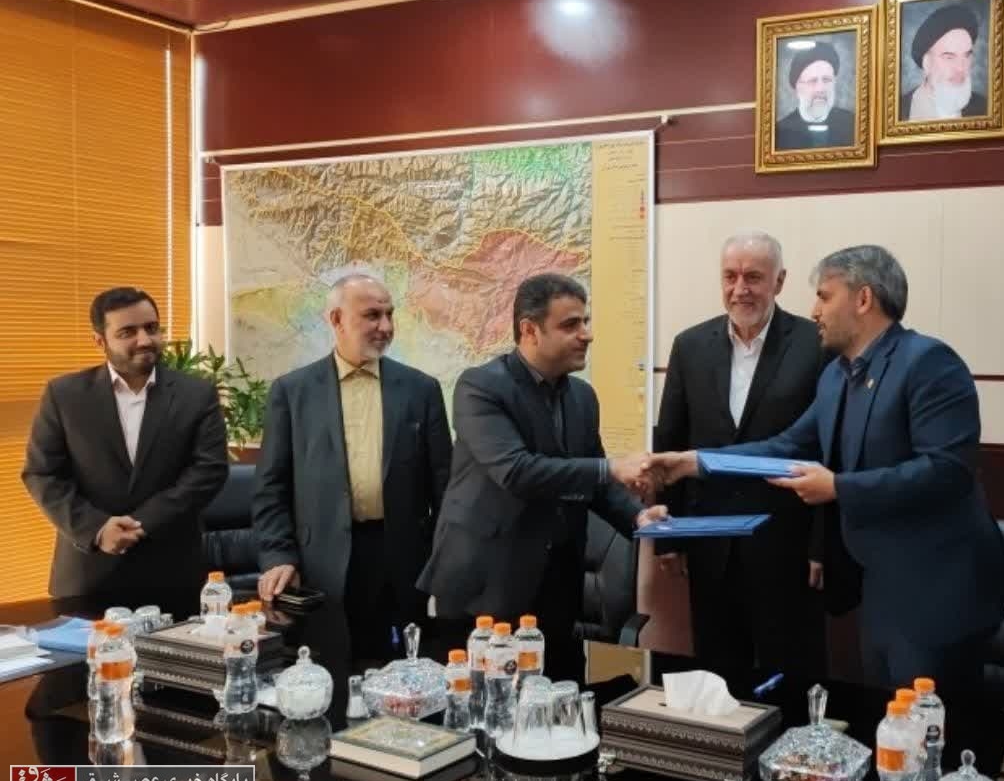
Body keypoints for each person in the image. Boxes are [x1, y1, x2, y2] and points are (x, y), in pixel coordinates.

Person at [651, 246, 1004, 692]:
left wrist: (839, 487)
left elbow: (946, 471)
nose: (814, 311)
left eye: (824, 296)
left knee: (928, 724)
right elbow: (787, 446)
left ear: (863, 299)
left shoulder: (928, 362)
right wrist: (694, 462)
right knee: (887, 716)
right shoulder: (838, 375)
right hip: (879, 586)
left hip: (938, 589)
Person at [418, 272, 666, 681]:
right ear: (529, 330)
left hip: (556, 587)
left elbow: (593, 482)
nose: (586, 334)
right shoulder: (480, 387)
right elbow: (517, 471)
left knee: (556, 696)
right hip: (486, 584)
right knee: (483, 700)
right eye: (570, 325)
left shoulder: (582, 397)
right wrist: (612, 467)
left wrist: (639, 516)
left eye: (586, 322)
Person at [653, 231, 830, 679]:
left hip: (786, 545)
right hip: (710, 543)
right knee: (717, 674)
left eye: (753, 277)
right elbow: (671, 440)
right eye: (730, 276)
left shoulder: (816, 344)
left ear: (780, 281)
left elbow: (831, 450)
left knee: (790, 674)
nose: (740, 289)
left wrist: (823, 544)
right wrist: (669, 536)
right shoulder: (690, 345)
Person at [253, 273, 452, 663]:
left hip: (403, 561)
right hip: (321, 562)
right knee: (331, 670)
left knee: (402, 673)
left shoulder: (421, 390)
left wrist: (441, 562)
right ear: (336, 320)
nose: (386, 326)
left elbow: (445, 487)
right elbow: (270, 488)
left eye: (389, 314)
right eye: (372, 315)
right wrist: (278, 556)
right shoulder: (292, 392)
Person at [23, 287, 229, 603]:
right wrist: (97, 529)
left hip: (173, 572)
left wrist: (142, 524)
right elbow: (42, 473)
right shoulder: (64, 395)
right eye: (127, 332)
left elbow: (209, 471)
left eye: (151, 328)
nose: (144, 340)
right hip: (89, 572)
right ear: (100, 341)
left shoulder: (196, 394)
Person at [901, 3, 988, 120]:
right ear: (927, 63)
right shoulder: (898, 111)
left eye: (966, 56)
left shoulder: (985, 108)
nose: (960, 68)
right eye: (949, 57)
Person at [774, 41, 855, 151]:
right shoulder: (780, 132)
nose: (820, 89)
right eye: (812, 81)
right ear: (797, 88)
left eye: (826, 80)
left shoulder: (851, 123)